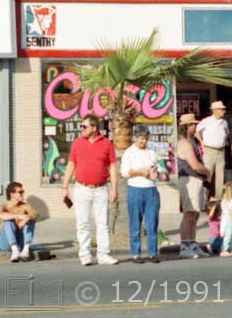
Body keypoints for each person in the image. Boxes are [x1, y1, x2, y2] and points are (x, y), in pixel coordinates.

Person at [61, 114, 120, 266]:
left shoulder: (107, 144)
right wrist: (65, 187)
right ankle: (85, 254)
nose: (81, 129)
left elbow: (113, 167)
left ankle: (103, 255)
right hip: (81, 188)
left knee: (103, 224)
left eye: (84, 126)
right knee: (82, 224)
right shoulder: (77, 143)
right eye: (81, 126)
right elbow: (71, 165)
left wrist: (114, 189)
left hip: (101, 189)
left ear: (94, 128)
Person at [120, 125, 161, 264]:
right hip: (135, 188)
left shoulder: (151, 152)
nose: (144, 141)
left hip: (151, 189)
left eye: (146, 139)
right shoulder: (129, 153)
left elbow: (157, 169)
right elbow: (125, 172)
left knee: (152, 222)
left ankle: (152, 252)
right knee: (135, 222)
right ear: (136, 138)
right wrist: (141, 172)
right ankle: (135, 253)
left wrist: (155, 173)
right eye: (141, 139)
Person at [176, 113, 212, 259]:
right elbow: (195, 165)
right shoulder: (184, 143)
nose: (195, 126)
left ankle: (192, 243)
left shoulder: (191, 141)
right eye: (192, 124)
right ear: (187, 126)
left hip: (195, 180)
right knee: (189, 214)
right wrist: (207, 171)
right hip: (189, 180)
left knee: (195, 214)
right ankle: (185, 245)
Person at [0, 182, 38, 262]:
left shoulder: (24, 206)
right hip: (7, 243)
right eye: (20, 192)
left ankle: (25, 251)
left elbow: (35, 214)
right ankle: (15, 251)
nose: (22, 194)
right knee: (8, 221)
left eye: (23, 191)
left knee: (30, 220)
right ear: (12, 194)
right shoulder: (3, 206)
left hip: (20, 241)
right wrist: (18, 216)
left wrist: (28, 218)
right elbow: (1, 215)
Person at [195, 101, 229, 197]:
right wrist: (202, 142)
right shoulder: (207, 121)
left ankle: (219, 200)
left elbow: (227, 133)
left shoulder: (224, 122)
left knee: (220, 176)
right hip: (209, 150)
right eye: (221, 109)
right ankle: (204, 199)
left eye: (223, 109)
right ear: (214, 110)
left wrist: (223, 142)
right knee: (207, 174)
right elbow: (196, 131)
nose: (223, 111)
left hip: (221, 150)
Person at [218, 182, 232, 257]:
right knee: (229, 235)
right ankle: (224, 249)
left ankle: (229, 249)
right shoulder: (231, 201)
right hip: (229, 219)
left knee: (228, 235)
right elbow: (231, 211)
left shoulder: (223, 201)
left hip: (224, 219)